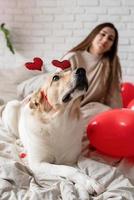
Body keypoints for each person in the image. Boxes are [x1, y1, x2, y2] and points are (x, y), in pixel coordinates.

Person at [61, 22, 123, 156]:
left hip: (88, 110)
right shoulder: (73, 57)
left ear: (113, 45)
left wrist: (120, 120)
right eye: (103, 34)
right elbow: (56, 88)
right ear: (94, 35)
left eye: (111, 38)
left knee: (105, 111)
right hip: (66, 110)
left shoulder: (110, 63)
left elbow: (114, 95)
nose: (105, 39)